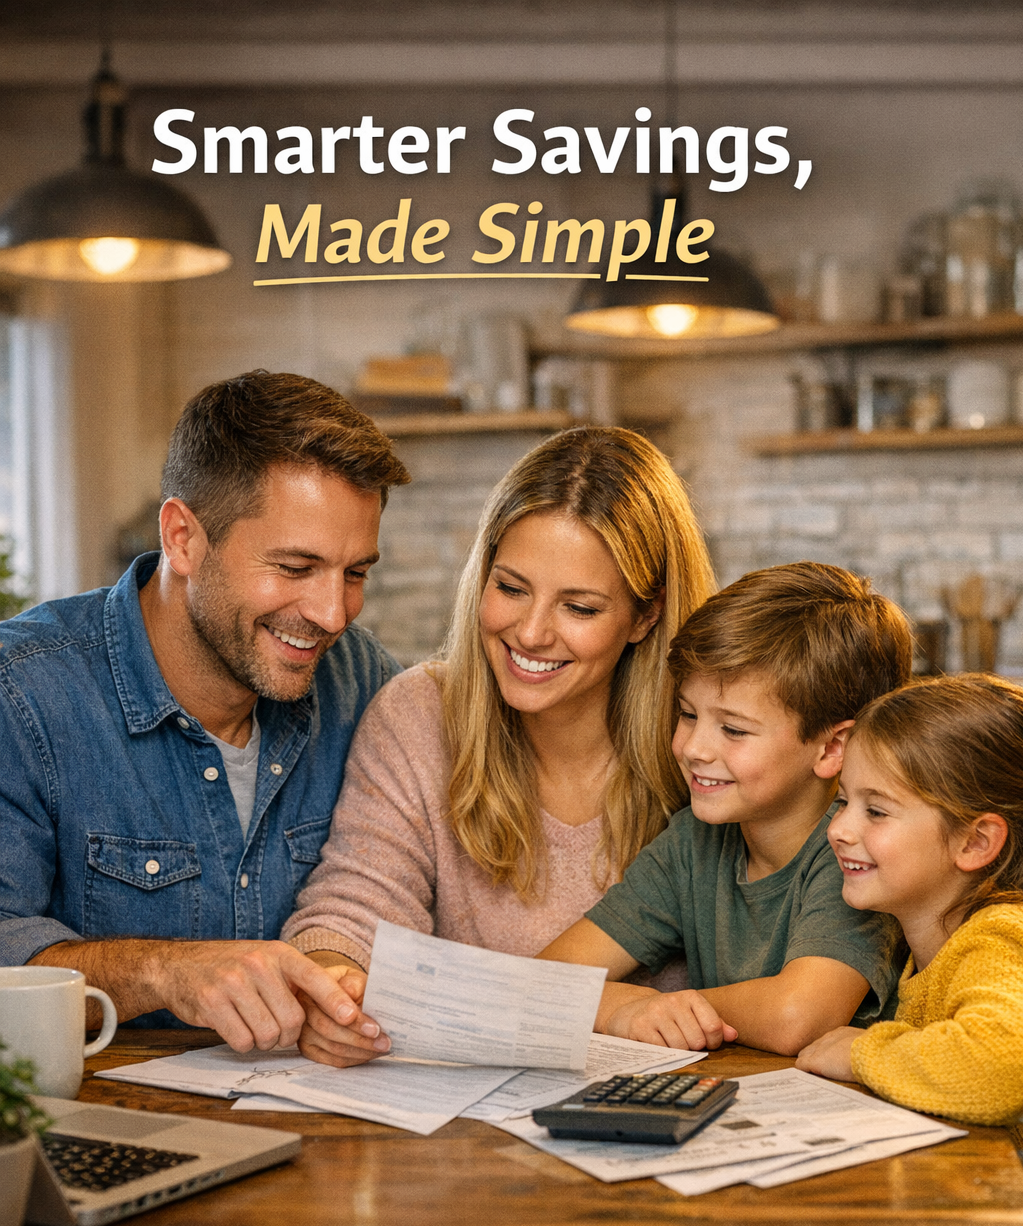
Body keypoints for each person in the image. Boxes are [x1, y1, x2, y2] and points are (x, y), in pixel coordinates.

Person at [0, 370, 408, 1054]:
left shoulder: (364, 682)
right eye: (295, 567)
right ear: (183, 537)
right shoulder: (22, 694)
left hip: (330, 1130)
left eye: (355, 573)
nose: (332, 614)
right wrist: (163, 972)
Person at [284, 426, 716, 1067]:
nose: (532, 632)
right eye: (511, 588)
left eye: (581, 607)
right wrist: (333, 984)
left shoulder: (709, 738)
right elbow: (352, 913)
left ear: (645, 616)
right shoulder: (419, 716)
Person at [538, 562, 912, 1057]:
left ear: (831, 749)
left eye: (733, 730)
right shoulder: (694, 841)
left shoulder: (856, 851)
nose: (694, 748)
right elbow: (541, 980)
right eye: (688, 714)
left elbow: (796, 1016)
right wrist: (619, 1009)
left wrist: (667, 1005)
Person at [796, 675, 1023, 1126]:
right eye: (842, 802)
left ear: (975, 842)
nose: (838, 829)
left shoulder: (998, 937)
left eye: (876, 811)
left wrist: (862, 1052)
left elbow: (1001, 1066)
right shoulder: (937, 947)